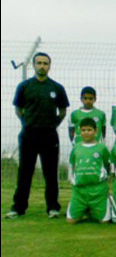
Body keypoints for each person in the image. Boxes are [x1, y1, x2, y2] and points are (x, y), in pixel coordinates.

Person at [7, 52, 70, 219]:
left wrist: (53, 124)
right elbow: (18, 109)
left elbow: (63, 111)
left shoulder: (57, 88)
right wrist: (26, 122)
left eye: (45, 63)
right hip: (28, 134)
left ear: (49, 66)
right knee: (25, 172)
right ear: (34, 65)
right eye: (39, 63)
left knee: (51, 172)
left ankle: (53, 208)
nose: (42, 66)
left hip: (49, 135)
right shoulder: (24, 86)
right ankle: (18, 208)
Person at [66, 118, 111, 224]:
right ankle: (85, 209)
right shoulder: (76, 148)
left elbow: (107, 165)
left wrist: (105, 178)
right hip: (80, 190)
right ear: (79, 131)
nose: (86, 132)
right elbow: (73, 165)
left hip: (98, 190)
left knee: (104, 222)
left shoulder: (102, 148)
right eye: (83, 130)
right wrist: (73, 179)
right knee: (71, 221)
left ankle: (97, 207)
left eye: (89, 130)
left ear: (96, 131)